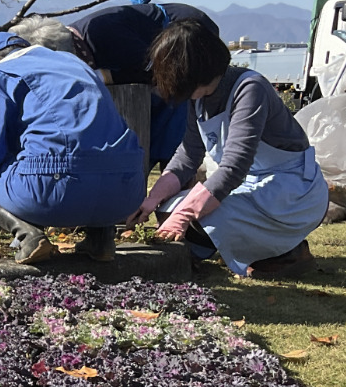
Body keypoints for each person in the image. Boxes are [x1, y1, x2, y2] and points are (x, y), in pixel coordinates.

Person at [126, 19, 328, 278]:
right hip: (250, 187)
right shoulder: (197, 98)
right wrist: (153, 198)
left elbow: (234, 167)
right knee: (167, 209)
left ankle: (287, 254)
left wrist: (187, 213)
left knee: (200, 216)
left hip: (290, 190)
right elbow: (188, 154)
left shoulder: (250, 89)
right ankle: (237, 251)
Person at [0, 31, 145, 264]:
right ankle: (101, 239)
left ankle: (29, 236)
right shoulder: (75, 64)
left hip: (54, 192)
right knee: (93, 155)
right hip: (126, 192)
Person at [15, 0, 221, 170]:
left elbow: (153, 72)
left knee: (172, 126)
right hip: (148, 64)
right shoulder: (79, 42)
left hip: (190, 34)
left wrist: (103, 76)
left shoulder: (103, 35)